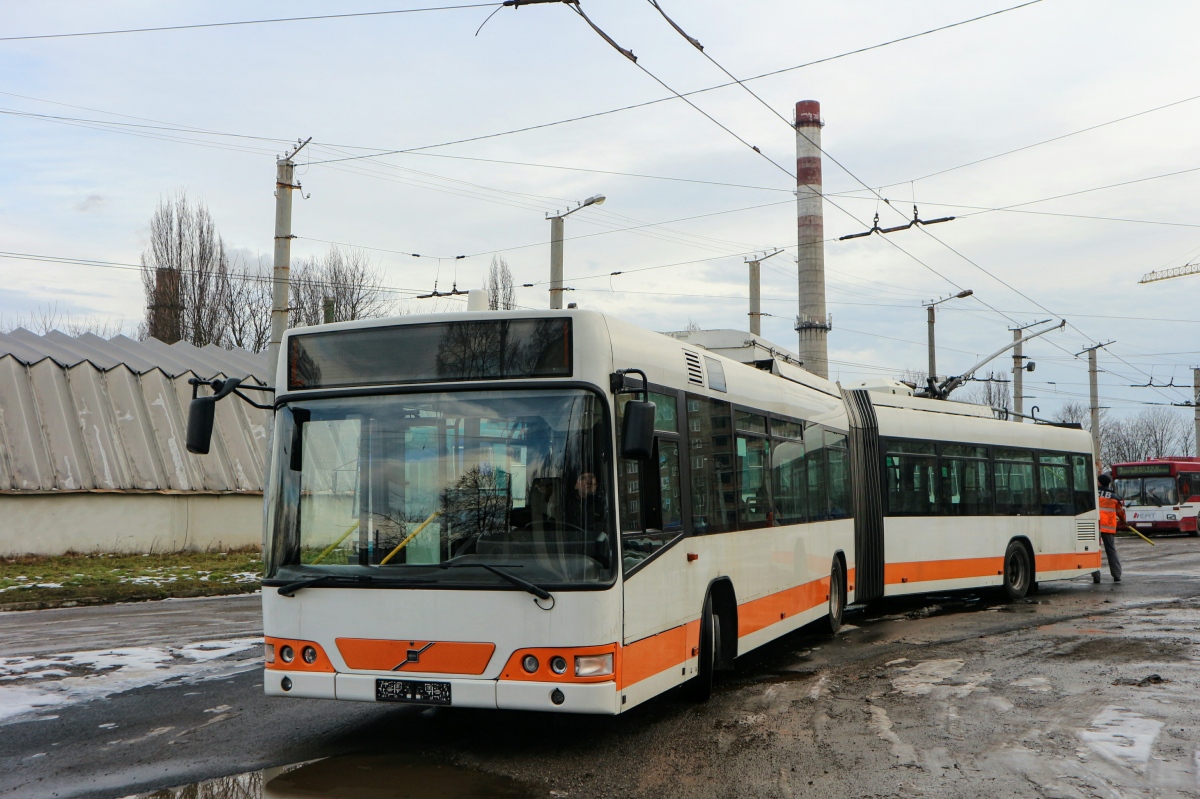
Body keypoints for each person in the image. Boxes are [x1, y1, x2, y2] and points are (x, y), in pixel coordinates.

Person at [1093, 473, 1124, 583]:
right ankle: (1117, 575)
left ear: (1100, 482)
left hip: (1095, 527)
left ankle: (1096, 575)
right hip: (1109, 528)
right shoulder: (1114, 497)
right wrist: (1125, 522)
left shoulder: (1093, 493)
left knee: (1095, 551)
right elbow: (1120, 513)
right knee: (1111, 551)